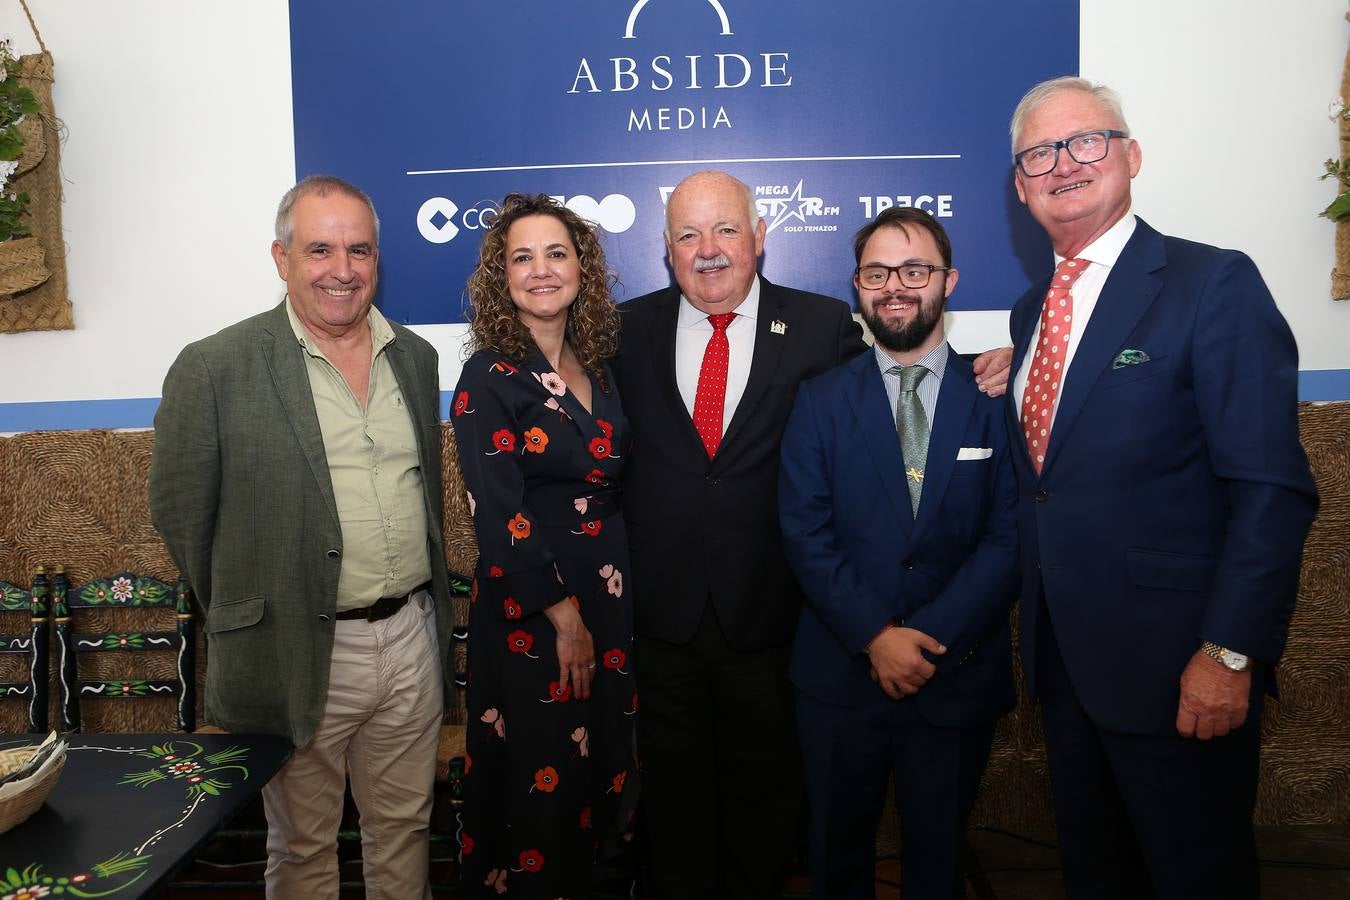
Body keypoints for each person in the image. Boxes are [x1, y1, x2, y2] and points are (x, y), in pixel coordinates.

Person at [611, 170, 1014, 899]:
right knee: (674, 816)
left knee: (778, 816)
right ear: (665, 249)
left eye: (727, 229)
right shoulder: (622, 331)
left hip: (773, 620)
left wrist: (1012, 359)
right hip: (663, 620)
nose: (709, 251)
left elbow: (904, 387)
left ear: (761, 238)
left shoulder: (825, 327)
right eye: (688, 235)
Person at [1005, 77, 1319, 899]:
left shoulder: (1212, 284)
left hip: (1183, 669)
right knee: (1094, 875)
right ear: (1020, 183)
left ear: (1131, 155)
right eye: (1039, 152)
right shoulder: (1030, 312)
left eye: (1086, 141)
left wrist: (1228, 650)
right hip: (1066, 671)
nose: (1063, 164)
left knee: (1195, 877)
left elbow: (1272, 490)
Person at [150, 175, 451, 899]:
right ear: (281, 257)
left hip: (409, 637)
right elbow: (181, 513)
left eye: (359, 250)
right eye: (320, 249)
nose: (341, 269)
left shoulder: (414, 356)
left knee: (405, 829)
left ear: (379, 259)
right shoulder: (215, 366)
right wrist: (256, 611)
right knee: (305, 844)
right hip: (297, 649)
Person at [779, 206, 1019, 900]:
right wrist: (876, 636)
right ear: (857, 285)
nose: (896, 287)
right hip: (838, 675)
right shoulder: (820, 400)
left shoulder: (997, 395)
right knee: (835, 858)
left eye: (915, 270)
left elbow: (1011, 536)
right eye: (878, 272)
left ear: (949, 280)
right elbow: (803, 529)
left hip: (956, 671)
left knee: (939, 860)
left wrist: (928, 639)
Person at [451, 193, 636, 899]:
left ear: (582, 268)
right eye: (521, 257)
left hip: (610, 601)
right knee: (540, 778)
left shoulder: (602, 370)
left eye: (555, 253)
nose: (540, 270)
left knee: (602, 767)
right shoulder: (488, 377)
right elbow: (498, 515)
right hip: (538, 615)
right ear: (502, 275)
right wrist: (565, 617)